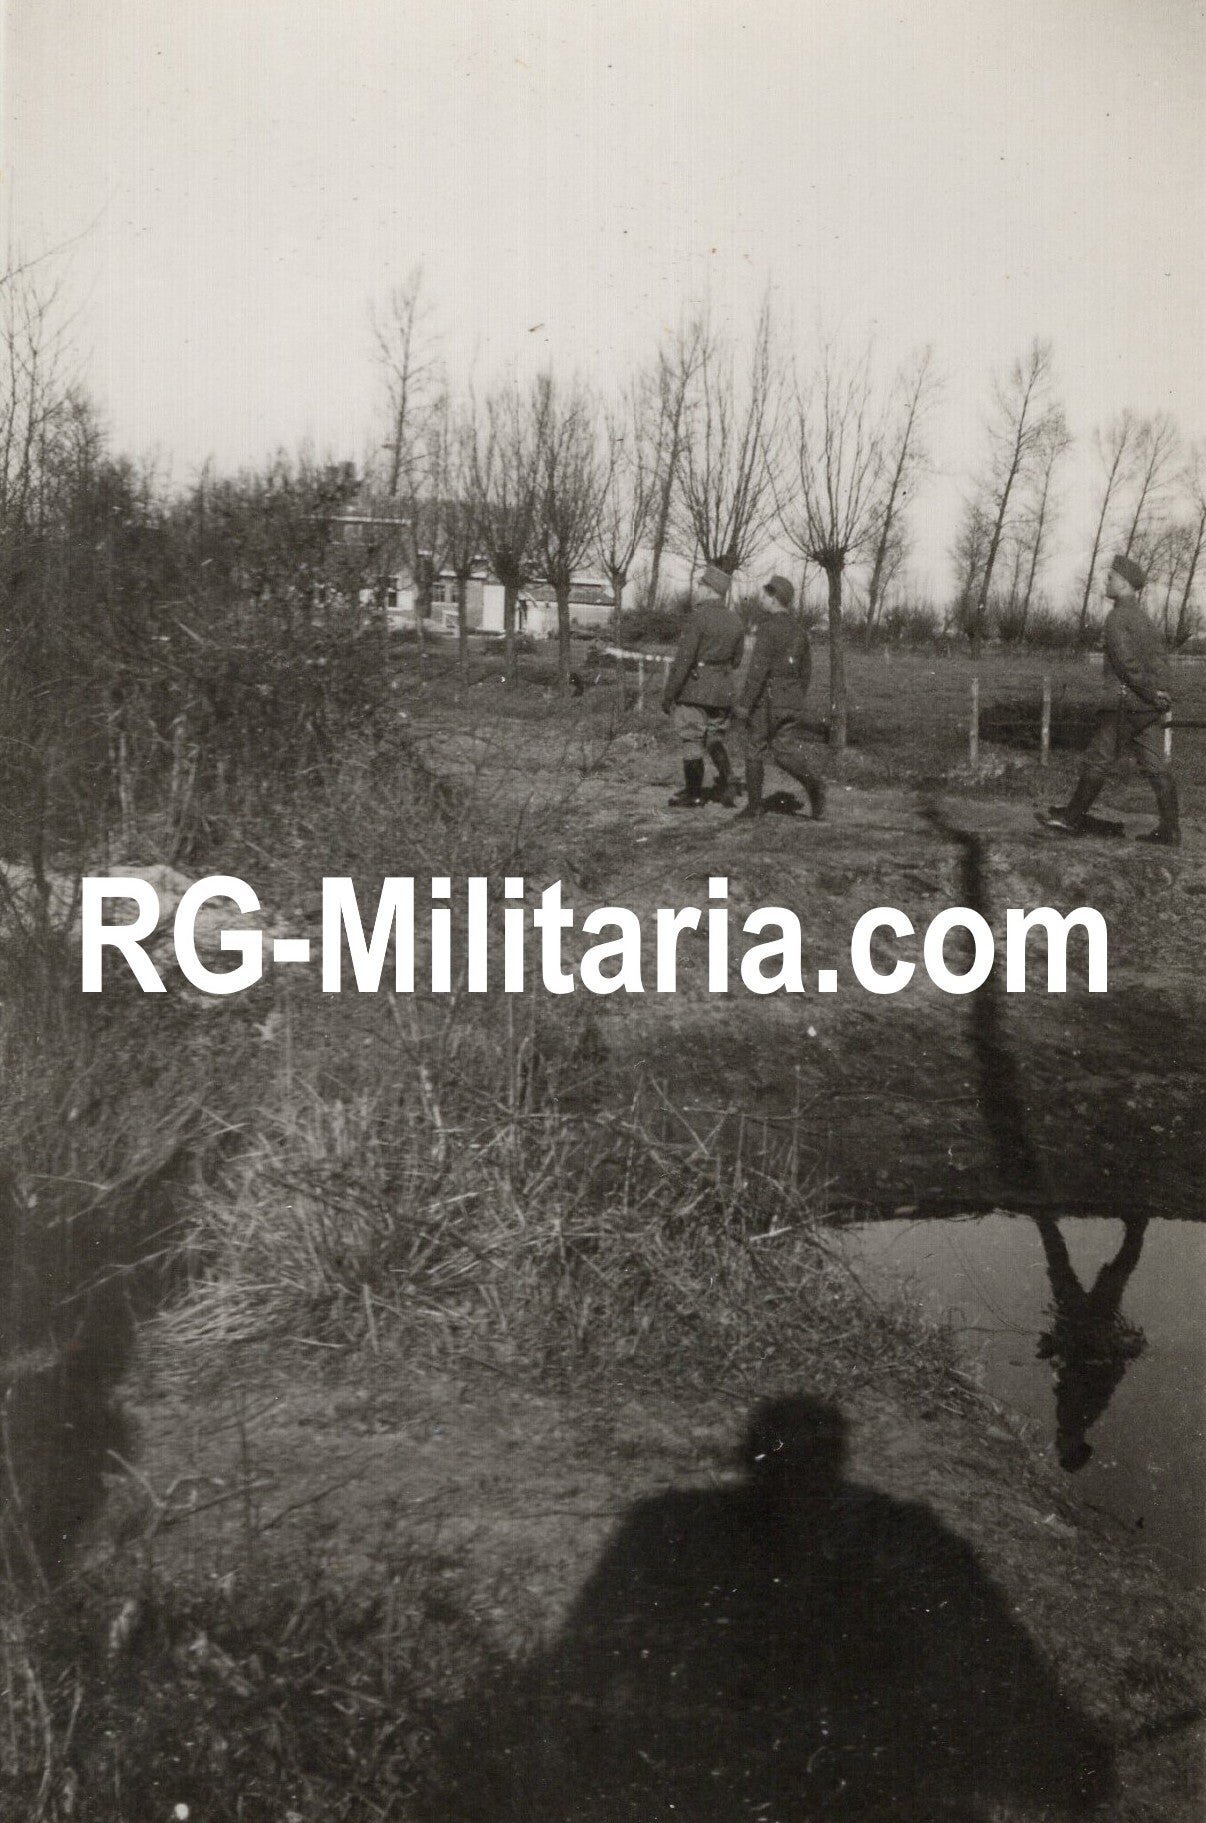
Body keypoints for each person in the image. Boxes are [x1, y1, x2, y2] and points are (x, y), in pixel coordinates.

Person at [1044, 554, 1180, 846]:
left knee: (1098, 759)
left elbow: (1125, 664)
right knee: (1156, 766)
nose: (1106, 581)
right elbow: (1160, 660)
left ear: (1126, 584)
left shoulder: (1117, 617)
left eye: (1111, 578)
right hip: (1147, 710)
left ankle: (1071, 819)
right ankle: (1171, 831)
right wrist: (1162, 693)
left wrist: (1148, 692)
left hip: (1124, 705)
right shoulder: (1145, 619)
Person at [731, 574, 826, 822]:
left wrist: (744, 706)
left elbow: (757, 672)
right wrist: (794, 697)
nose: (761, 599)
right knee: (783, 752)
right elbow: (806, 672)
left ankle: (754, 808)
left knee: (755, 748)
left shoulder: (768, 628)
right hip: (792, 700)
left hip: (767, 701)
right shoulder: (800, 631)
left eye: (764, 595)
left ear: (774, 599)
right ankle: (814, 785)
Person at [661, 562, 745, 808]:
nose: (697, 588)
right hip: (723, 692)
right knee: (714, 739)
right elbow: (737, 660)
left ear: (709, 590)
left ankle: (694, 794)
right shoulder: (736, 621)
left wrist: (669, 694)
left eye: (700, 584)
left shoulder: (697, 618)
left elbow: (684, 660)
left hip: (695, 690)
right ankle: (728, 782)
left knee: (692, 740)